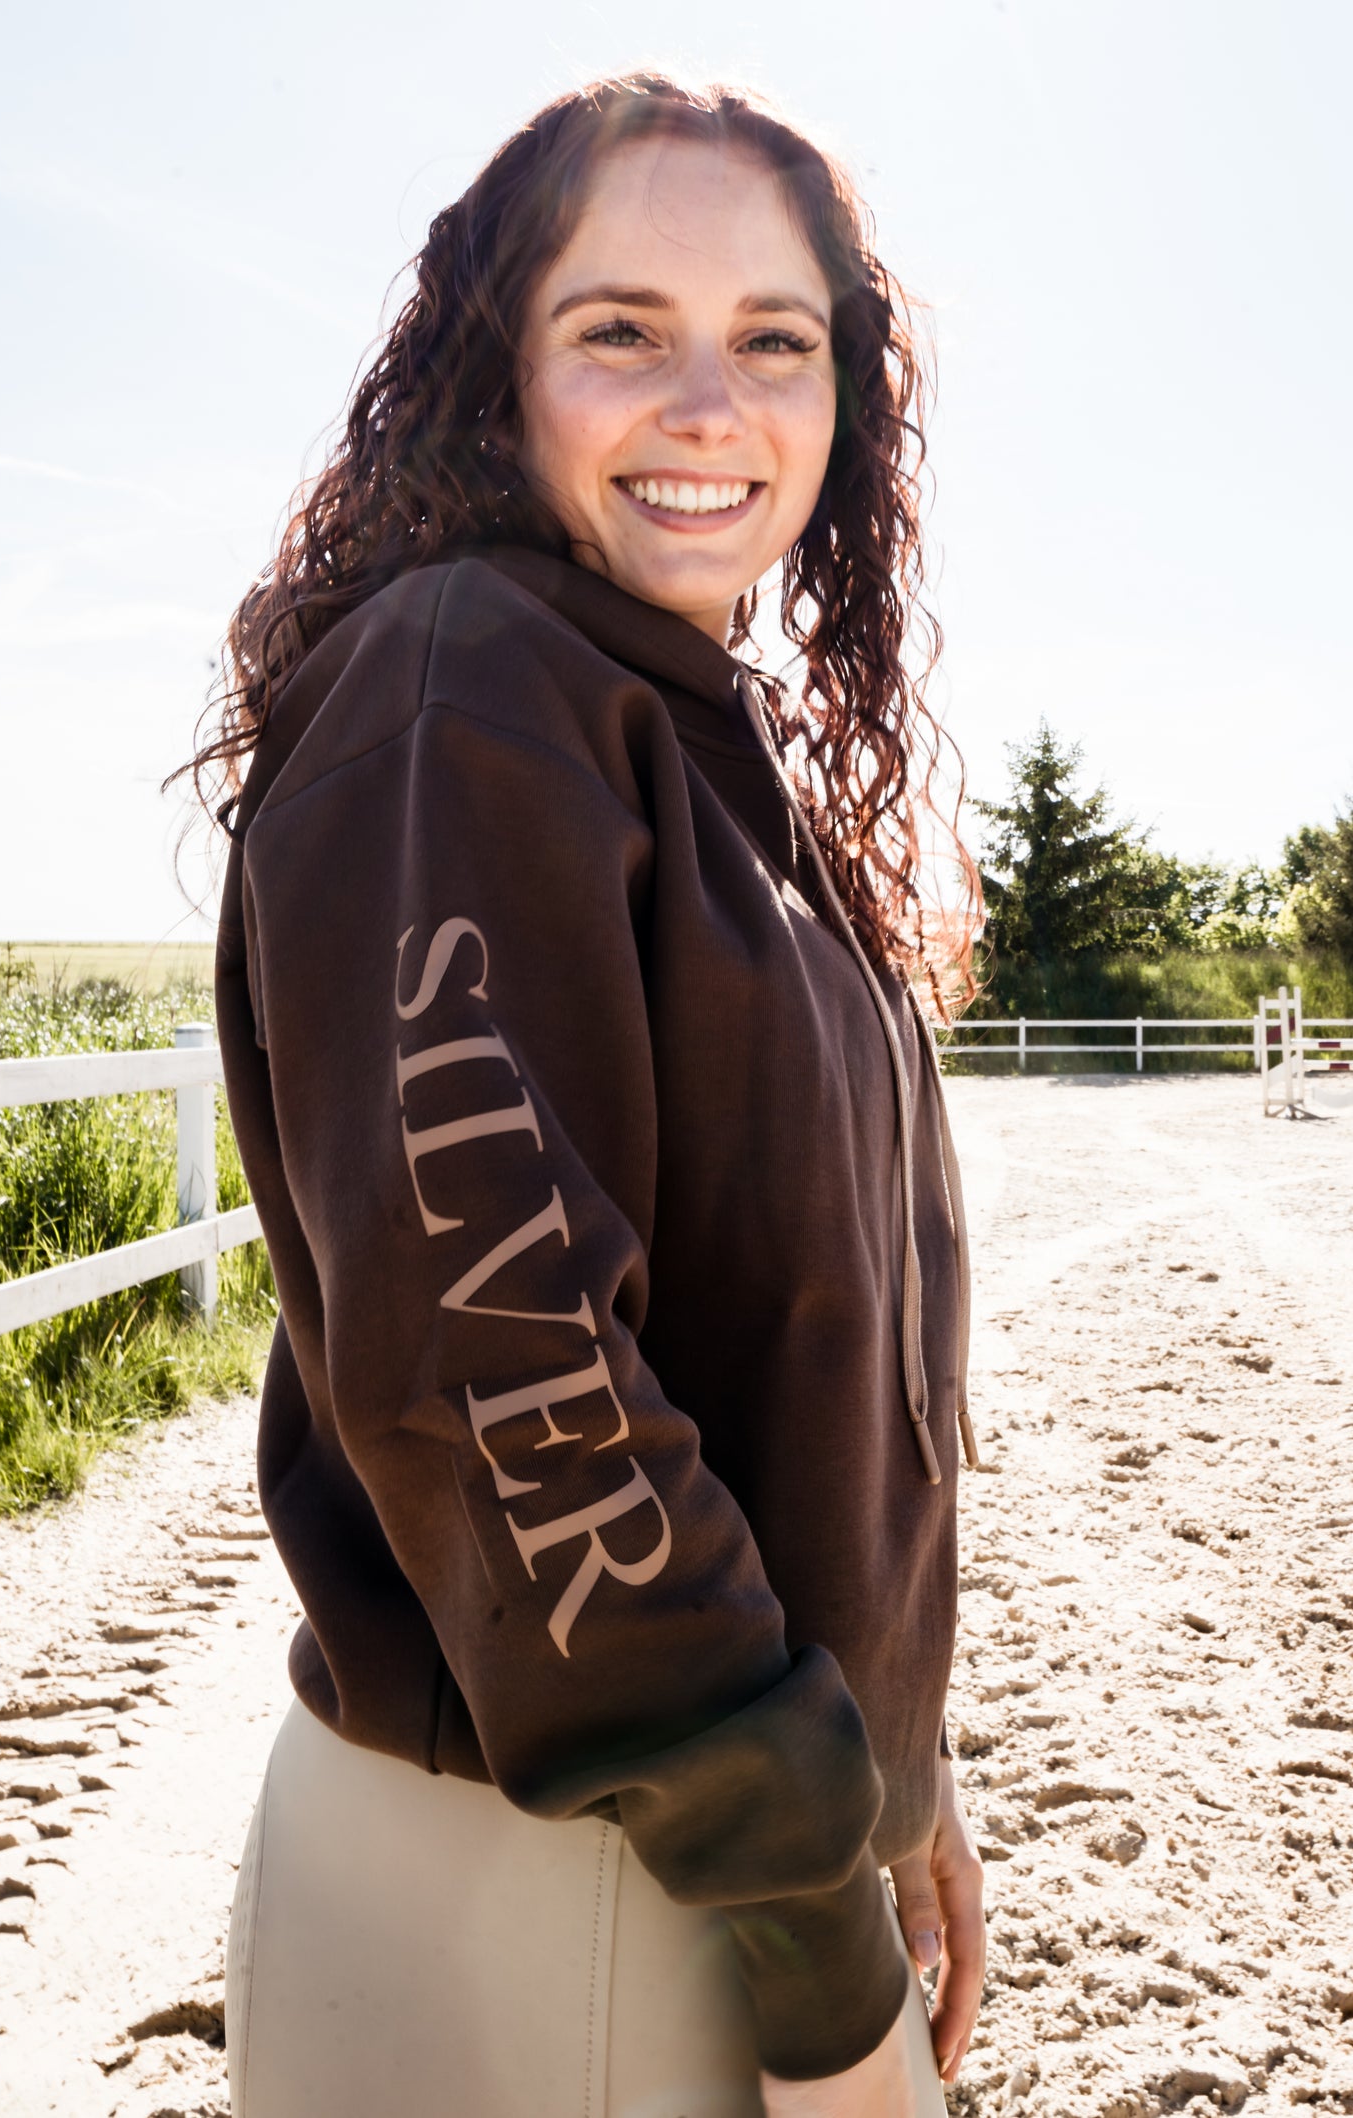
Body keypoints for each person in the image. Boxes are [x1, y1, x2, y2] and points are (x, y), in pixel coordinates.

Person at [197, 73, 987, 2118]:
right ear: (498, 371)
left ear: (845, 399)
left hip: (718, 1862)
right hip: (555, 1899)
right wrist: (821, 1952)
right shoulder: (464, 691)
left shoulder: (684, 729)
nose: (709, 405)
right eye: (622, 328)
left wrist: (896, 1773)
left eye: (776, 341)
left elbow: (792, 1332)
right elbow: (511, 1385)